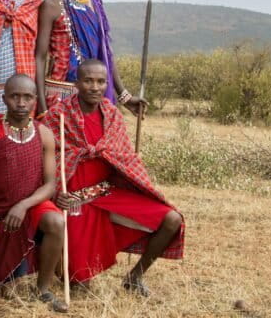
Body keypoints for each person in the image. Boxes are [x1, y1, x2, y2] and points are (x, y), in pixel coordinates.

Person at [44, 59, 185, 294]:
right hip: (74, 200)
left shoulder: (111, 114)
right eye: (88, 81)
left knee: (172, 220)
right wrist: (56, 193)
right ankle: (68, 268)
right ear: (76, 83)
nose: (95, 87)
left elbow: (124, 157)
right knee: (80, 287)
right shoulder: (58, 115)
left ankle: (135, 277)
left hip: (108, 193)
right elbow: (45, 161)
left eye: (101, 82)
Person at [0, 75, 67, 313]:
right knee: (4, 288)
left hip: (30, 207)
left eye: (27, 97)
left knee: (56, 220)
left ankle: (43, 288)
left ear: (35, 100)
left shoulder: (43, 133)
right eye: (14, 96)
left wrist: (24, 205)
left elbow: (50, 185)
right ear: (4, 99)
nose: (21, 103)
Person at [35, 0, 146, 117]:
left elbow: (106, 52)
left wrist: (124, 96)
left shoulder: (96, 1)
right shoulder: (51, 6)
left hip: (95, 92)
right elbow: (40, 57)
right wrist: (42, 108)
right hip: (62, 93)